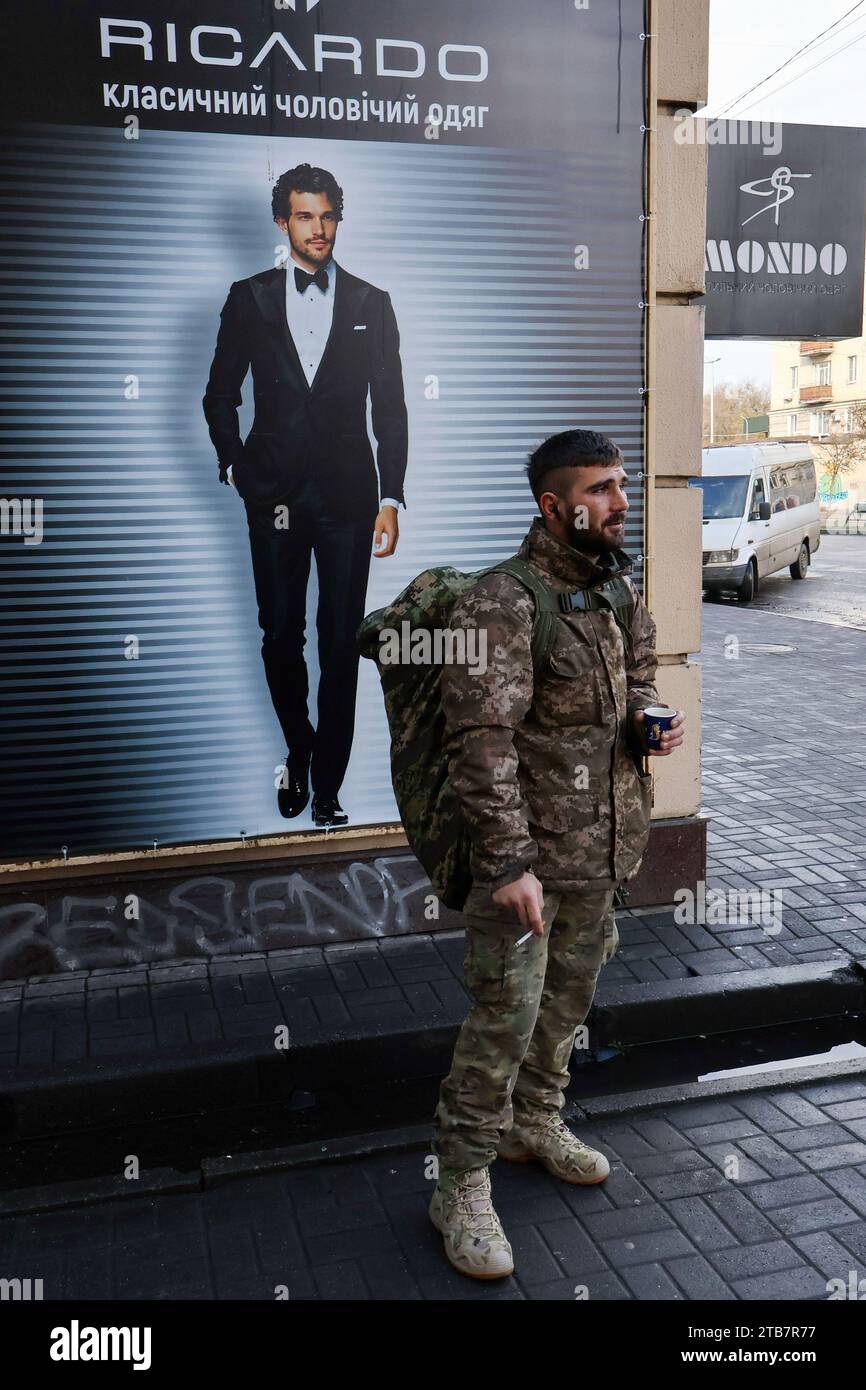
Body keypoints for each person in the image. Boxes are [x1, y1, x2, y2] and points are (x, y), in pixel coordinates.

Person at [428, 428, 685, 1280]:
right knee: (501, 1021)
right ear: (554, 505)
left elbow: (641, 674)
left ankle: (534, 1121)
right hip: (528, 871)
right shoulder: (504, 602)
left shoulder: (616, 591)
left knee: (566, 1009)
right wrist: (506, 865)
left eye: (622, 484)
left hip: (601, 857)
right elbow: (480, 743)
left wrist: (649, 717)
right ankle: (459, 1181)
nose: (620, 501)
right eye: (602, 489)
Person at [202, 163, 408, 826]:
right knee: (279, 634)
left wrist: (393, 497)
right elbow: (220, 393)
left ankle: (327, 788)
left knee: (340, 642)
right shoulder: (250, 297)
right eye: (304, 216)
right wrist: (235, 468)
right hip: (274, 495)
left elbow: (393, 409)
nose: (317, 229)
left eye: (327, 216)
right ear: (283, 221)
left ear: (337, 218)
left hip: (350, 498)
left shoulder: (372, 303)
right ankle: (298, 749)